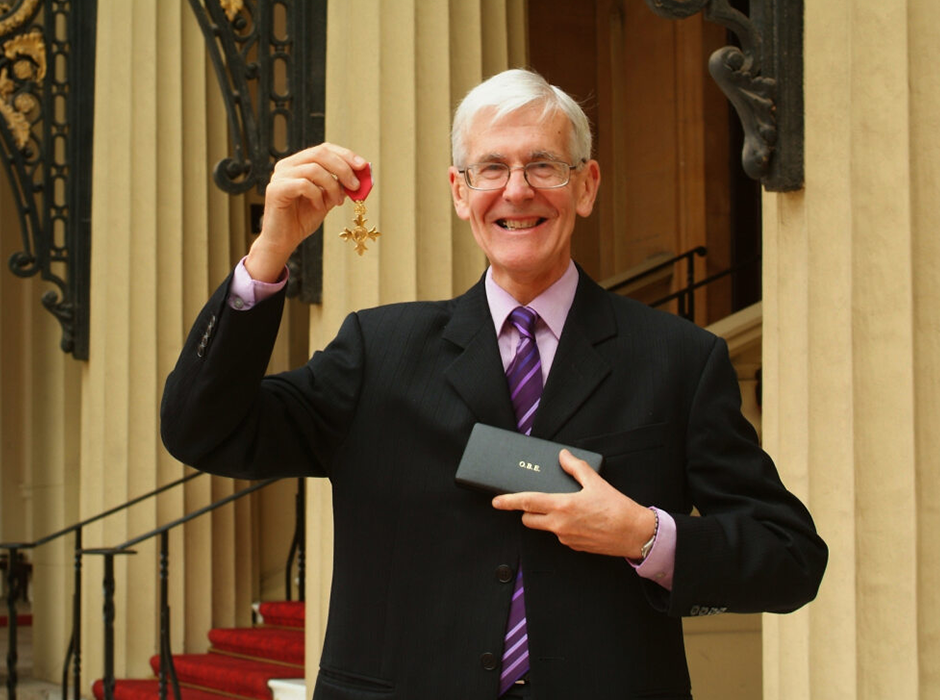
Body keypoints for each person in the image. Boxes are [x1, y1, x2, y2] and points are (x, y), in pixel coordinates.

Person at [161, 69, 826, 700]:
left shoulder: (679, 359)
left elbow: (790, 556)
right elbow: (203, 429)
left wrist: (644, 535)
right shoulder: (377, 353)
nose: (517, 190)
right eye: (491, 169)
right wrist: (269, 252)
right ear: (459, 191)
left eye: (544, 165)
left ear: (586, 185)